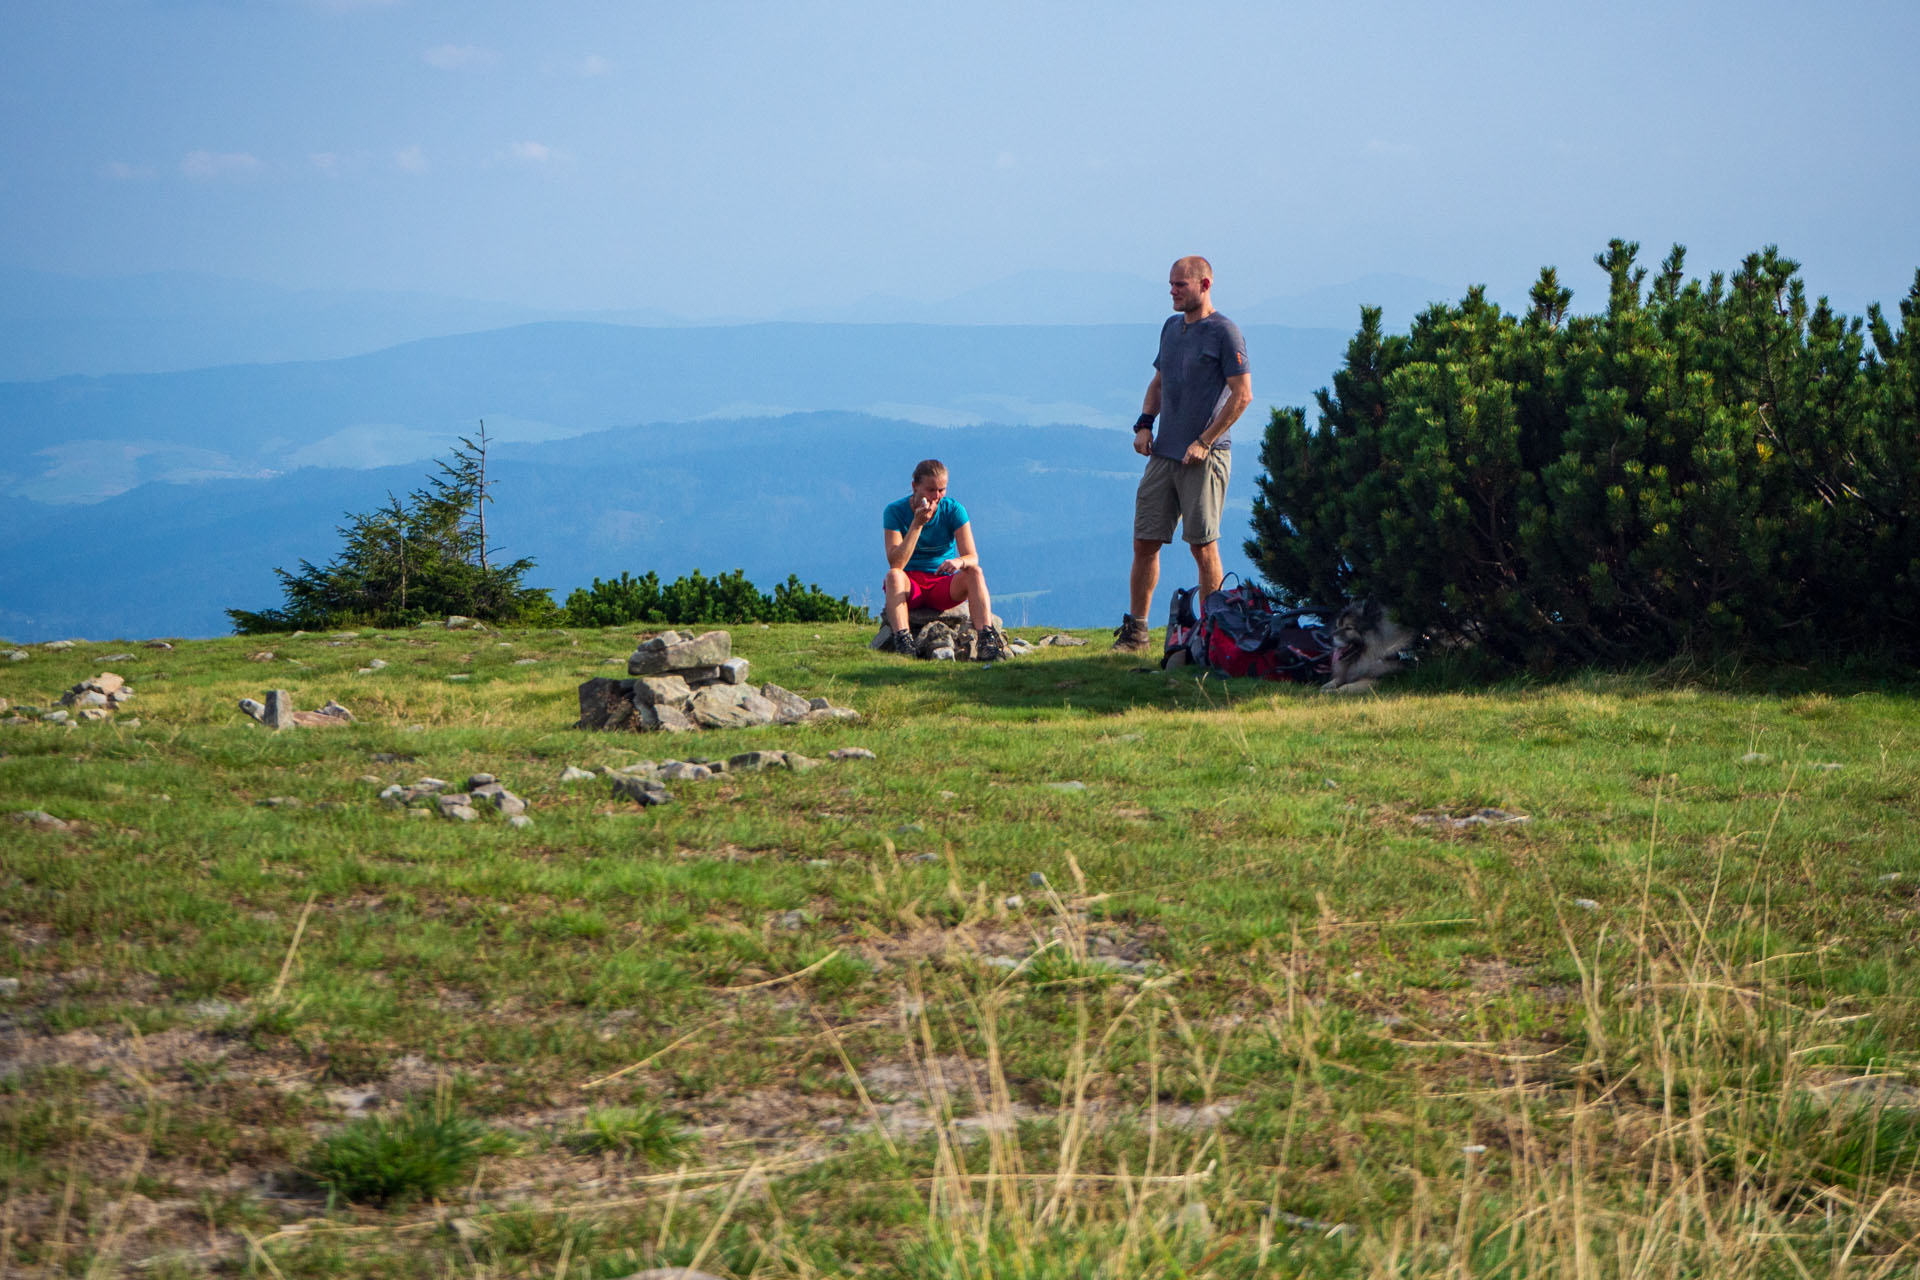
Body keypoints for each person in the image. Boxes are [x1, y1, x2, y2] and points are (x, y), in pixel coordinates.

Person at [1113, 255, 1253, 653]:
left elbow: (1242, 395)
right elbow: (1159, 382)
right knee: (1145, 540)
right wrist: (1144, 423)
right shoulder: (1171, 328)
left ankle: (1212, 634)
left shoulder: (1225, 333)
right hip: (1165, 453)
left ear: (1204, 285)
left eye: (1180, 286)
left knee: (1203, 545)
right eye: (1171, 285)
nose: (1172, 292)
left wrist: (1205, 441)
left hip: (1205, 457)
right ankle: (1137, 630)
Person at [881, 459, 1011, 660]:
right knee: (893, 576)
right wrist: (917, 524)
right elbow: (896, 563)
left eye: (942, 490)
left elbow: (972, 556)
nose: (936, 496)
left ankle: (987, 640)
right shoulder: (895, 512)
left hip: (942, 581)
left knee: (975, 572)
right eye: (931, 490)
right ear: (914, 487)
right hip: (910, 583)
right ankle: (903, 642)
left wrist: (959, 562)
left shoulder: (953, 510)